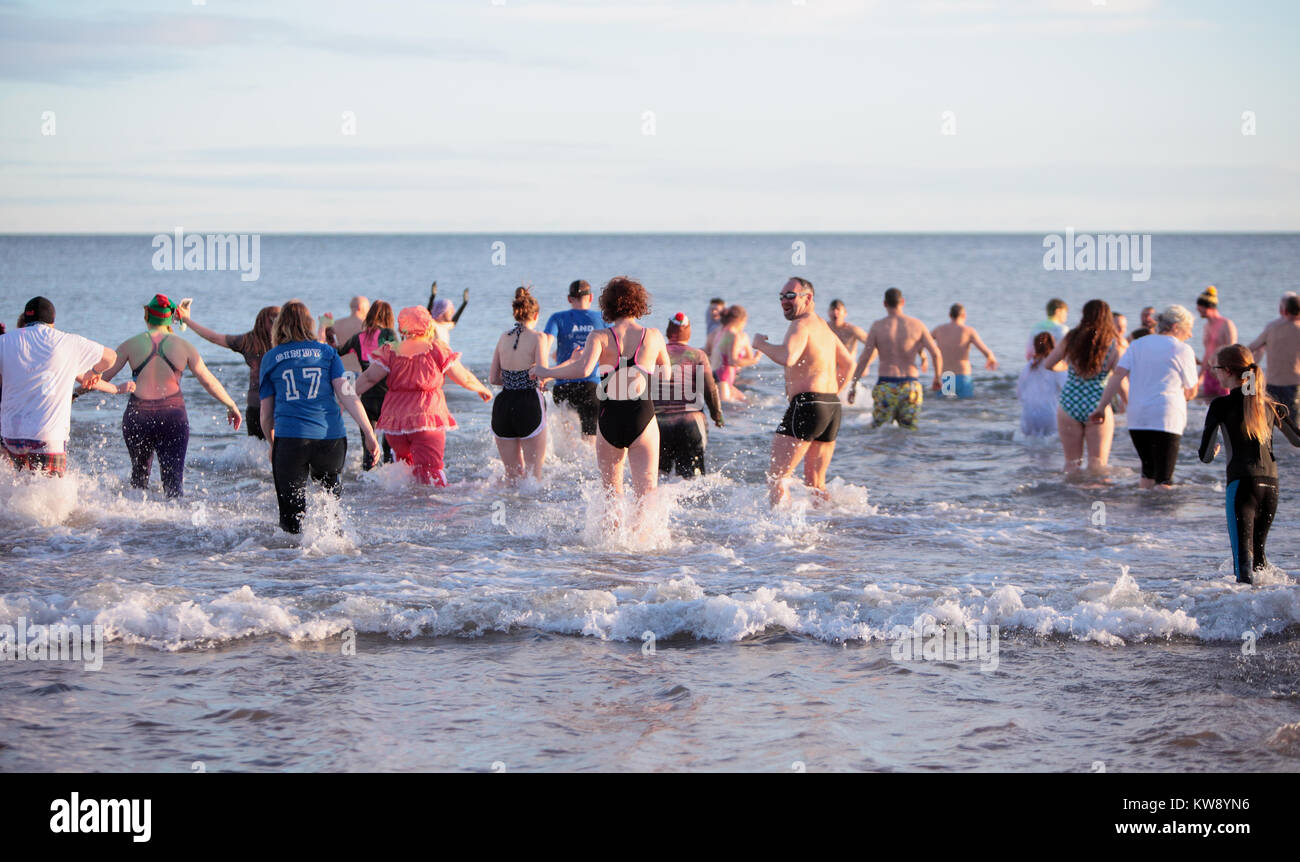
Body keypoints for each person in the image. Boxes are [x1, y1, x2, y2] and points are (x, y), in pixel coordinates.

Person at [532, 277, 670, 507]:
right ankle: (644, 542)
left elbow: (583, 369)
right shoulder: (653, 336)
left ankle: (610, 543)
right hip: (641, 417)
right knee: (646, 495)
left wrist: (545, 370)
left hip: (609, 419)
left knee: (611, 496)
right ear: (639, 303)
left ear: (607, 305)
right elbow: (665, 376)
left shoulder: (599, 336)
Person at [99, 295, 243, 498]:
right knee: (174, 486)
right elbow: (208, 380)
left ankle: (132, 526)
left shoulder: (130, 345)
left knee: (138, 481)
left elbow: (101, 378)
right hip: (173, 418)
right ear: (171, 319)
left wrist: (75, 393)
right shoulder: (185, 347)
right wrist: (231, 404)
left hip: (137, 418)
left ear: (146, 314)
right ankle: (172, 528)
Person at [259, 300, 379, 533]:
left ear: (280, 326)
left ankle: (292, 563)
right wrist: (369, 433)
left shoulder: (271, 358)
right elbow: (347, 395)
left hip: (291, 440)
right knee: (331, 509)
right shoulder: (327, 353)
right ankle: (333, 561)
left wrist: (272, 443)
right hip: (330, 439)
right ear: (309, 323)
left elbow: (265, 415)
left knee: (291, 518)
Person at [355, 305, 491, 486]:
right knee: (431, 474)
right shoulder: (436, 349)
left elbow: (369, 378)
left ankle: (404, 510)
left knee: (404, 472)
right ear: (428, 325)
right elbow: (463, 377)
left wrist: (344, 396)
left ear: (403, 327)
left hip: (396, 425)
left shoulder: (392, 350)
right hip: (426, 419)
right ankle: (434, 512)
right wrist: (482, 388)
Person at [1198, 345, 1300, 584]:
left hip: (1241, 486)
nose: (1214, 374)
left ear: (1227, 371)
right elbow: (1297, 439)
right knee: (1259, 559)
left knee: (1243, 563)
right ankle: (1274, 611)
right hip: (1271, 487)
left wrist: (1214, 450)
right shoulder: (1268, 404)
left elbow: (1204, 456)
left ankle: (1245, 618)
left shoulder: (1220, 405)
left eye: (1215, 369)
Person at [753, 277, 854, 505]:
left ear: (808, 298)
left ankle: (779, 538)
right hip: (830, 407)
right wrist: (829, 394)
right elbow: (849, 364)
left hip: (808, 405)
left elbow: (788, 357)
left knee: (778, 478)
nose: (784, 301)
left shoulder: (800, 324)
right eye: (781, 297)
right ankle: (832, 526)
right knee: (816, 483)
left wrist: (760, 344)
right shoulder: (823, 327)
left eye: (790, 295)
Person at [0, 297, 115, 477]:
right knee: (50, 497)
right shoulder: (67, 341)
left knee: (19, 490)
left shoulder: (4, 341)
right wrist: (94, 371)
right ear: (52, 321)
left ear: (26, 319)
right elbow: (110, 357)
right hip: (47, 435)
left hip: (12, 436)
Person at [1088, 305, 1198, 488]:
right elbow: (1192, 391)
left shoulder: (1138, 344)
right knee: (1164, 478)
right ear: (1176, 326)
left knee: (1147, 472)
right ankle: (1163, 515)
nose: (1191, 334)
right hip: (1166, 418)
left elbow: (1117, 376)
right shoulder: (1182, 349)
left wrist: (1101, 407)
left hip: (1138, 416)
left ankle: (1143, 515)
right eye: (1189, 328)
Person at [1041, 299, 1125, 475]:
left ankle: (1069, 500)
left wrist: (1065, 367)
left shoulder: (1072, 337)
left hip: (1069, 403)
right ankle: (1096, 500)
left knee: (1071, 464)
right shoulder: (1113, 343)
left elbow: (1048, 364)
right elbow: (1120, 379)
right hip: (1097, 404)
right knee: (1098, 465)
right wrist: (1128, 402)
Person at [178, 303, 280, 440]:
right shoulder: (283, 344)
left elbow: (213, 337)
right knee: (280, 450)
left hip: (255, 406)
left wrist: (186, 320)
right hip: (279, 405)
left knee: (257, 451)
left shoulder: (248, 341)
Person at [848, 288, 942, 430]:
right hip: (910, 387)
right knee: (909, 431)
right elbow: (936, 354)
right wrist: (937, 378)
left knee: (879, 431)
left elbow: (864, 358)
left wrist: (853, 385)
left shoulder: (877, 326)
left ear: (884, 303)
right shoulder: (917, 325)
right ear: (902, 302)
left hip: (886, 386)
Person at [653, 312, 724, 478]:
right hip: (690, 424)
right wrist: (717, 415)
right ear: (689, 332)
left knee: (657, 476)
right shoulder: (698, 355)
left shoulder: (655, 353)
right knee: (692, 480)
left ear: (668, 332)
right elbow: (710, 388)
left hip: (658, 424)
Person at [489, 288, 549, 483]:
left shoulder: (502, 337)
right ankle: (530, 513)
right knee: (534, 477)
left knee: (512, 477)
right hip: (529, 403)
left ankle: (509, 511)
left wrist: (512, 380)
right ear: (536, 315)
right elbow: (542, 375)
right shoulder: (539, 338)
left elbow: (493, 379)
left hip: (504, 404)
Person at [337, 300, 398, 469]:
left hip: (366, 399)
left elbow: (337, 352)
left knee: (368, 451)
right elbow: (399, 361)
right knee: (389, 451)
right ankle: (387, 486)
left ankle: (367, 485)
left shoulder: (358, 338)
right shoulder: (389, 336)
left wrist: (326, 334)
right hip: (388, 399)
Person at [543, 279, 606, 439]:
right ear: (591, 297)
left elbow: (545, 345)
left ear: (569, 299)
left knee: (566, 439)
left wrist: (543, 372)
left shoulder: (558, 318)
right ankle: (588, 464)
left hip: (564, 385)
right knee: (590, 438)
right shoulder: (602, 319)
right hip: (591, 386)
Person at [1247, 293, 1300, 422]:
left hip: (1272, 384)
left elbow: (1249, 349)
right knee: (1295, 428)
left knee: (1269, 424)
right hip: (1294, 384)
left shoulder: (1272, 327)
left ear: (1284, 310)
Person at [931, 303, 997, 398]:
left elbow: (923, 342)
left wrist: (922, 355)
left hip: (946, 376)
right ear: (963, 315)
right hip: (962, 376)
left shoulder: (938, 330)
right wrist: (991, 359)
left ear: (950, 315)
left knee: (945, 407)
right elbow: (986, 351)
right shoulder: (968, 331)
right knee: (966, 407)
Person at [1196, 286, 1238, 399]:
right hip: (1209, 375)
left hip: (1223, 374)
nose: (1197, 309)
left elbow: (1232, 351)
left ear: (1208, 307)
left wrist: (1228, 374)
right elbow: (1207, 353)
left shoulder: (1226, 324)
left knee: (1226, 406)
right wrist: (1199, 376)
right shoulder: (1206, 326)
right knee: (1208, 408)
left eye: (1199, 307)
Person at [1018, 332, 1063, 437]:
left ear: (1035, 347)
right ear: (1053, 346)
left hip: (1028, 416)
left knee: (1030, 449)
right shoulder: (1057, 366)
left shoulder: (1028, 367)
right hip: (1049, 415)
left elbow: (1019, 393)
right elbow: (1067, 390)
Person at [715, 305, 760, 402]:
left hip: (721, 379)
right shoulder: (735, 336)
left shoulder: (720, 332)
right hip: (723, 380)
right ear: (741, 321)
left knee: (746, 401)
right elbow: (733, 361)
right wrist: (755, 360)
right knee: (729, 410)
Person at [828, 299, 870, 400]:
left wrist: (865, 364)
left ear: (845, 313)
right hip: (831, 371)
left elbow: (873, 345)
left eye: (838, 309)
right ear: (828, 312)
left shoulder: (852, 330)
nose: (835, 312)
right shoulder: (825, 328)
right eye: (833, 309)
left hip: (849, 372)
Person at [332, 297, 370, 372]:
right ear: (360, 307)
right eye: (367, 307)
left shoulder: (337, 323)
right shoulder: (367, 326)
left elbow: (332, 345)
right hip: (359, 370)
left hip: (341, 370)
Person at [427, 282, 469, 347]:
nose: (451, 313)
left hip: (445, 354)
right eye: (448, 311)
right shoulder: (433, 325)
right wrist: (432, 296)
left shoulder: (446, 326)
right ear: (442, 312)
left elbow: (454, 321)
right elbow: (427, 316)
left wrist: (464, 303)